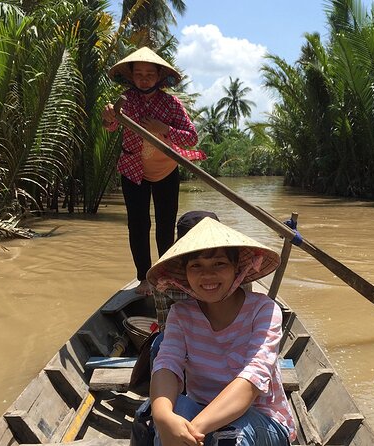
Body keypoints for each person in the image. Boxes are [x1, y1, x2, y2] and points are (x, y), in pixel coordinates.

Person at [145, 217, 296, 445]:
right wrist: (164, 417)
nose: (208, 275)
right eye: (196, 266)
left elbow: (250, 382)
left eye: (219, 264)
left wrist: (189, 433)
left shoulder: (264, 310)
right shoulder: (181, 314)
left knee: (228, 436)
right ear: (186, 273)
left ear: (236, 268)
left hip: (263, 420)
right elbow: (167, 364)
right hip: (202, 409)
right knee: (165, 414)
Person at [102, 46, 202, 295]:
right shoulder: (125, 101)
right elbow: (111, 126)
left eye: (150, 73)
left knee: (166, 224)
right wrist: (108, 118)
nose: (144, 78)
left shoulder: (171, 104)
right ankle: (143, 278)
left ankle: (165, 275)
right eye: (139, 73)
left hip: (166, 170)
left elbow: (191, 138)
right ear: (131, 76)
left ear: (159, 76)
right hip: (133, 169)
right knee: (138, 224)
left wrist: (164, 128)